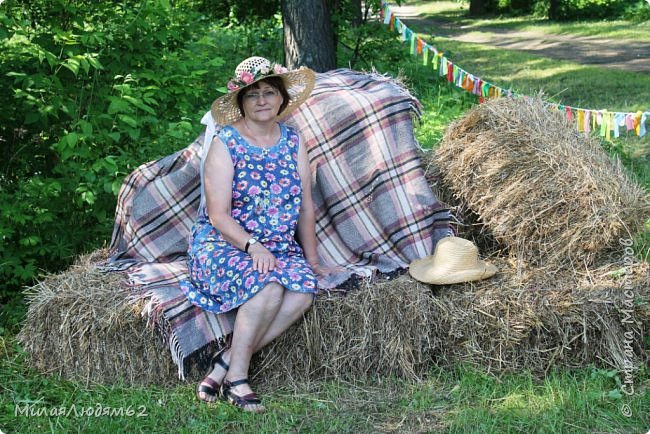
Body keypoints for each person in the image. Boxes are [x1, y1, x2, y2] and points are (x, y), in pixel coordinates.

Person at [179, 57, 323, 413]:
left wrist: (315, 260)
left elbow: (305, 205)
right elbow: (217, 215)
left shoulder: (292, 140)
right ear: (241, 102)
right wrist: (252, 245)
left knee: (303, 293)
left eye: (269, 92)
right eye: (253, 94)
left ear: (281, 99)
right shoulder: (226, 142)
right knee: (269, 285)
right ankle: (238, 380)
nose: (261, 100)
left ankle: (225, 361)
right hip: (225, 242)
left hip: (277, 246)